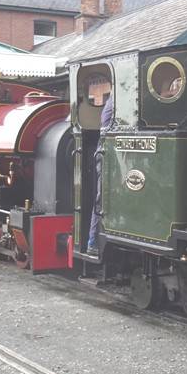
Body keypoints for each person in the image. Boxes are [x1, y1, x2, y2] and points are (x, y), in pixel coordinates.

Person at [86, 91, 114, 256]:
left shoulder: (112, 101)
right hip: (106, 156)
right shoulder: (113, 103)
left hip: (106, 154)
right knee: (101, 200)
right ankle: (93, 240)